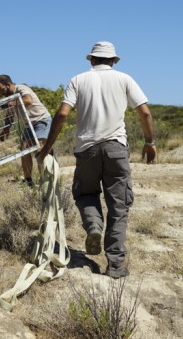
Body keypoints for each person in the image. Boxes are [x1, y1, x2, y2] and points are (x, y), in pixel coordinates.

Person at [38, 41, 156, 279]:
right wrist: (149, 142)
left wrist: (47, 148)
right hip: (116, 149)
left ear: (91, 59)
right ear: (113, 60)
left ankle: (93, 226)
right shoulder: (125, 79)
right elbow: (144, 111)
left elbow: (62, 113)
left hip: (87, 149)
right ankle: (115, 266)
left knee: (86, 194)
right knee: (118, 206)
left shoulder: (78, 80)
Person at [0, 75, 52, 187]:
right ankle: (28, 180)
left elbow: (28, 100)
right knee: (24, 149)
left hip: (40, 119)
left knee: (39, 149)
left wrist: (13, 103)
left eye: (1, 89)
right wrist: (5, 129)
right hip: (28, 124)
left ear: (8, 85)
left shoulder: (21, 88)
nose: (1, 93)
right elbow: (10, 114)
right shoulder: (10, 97)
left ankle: (45, 180)